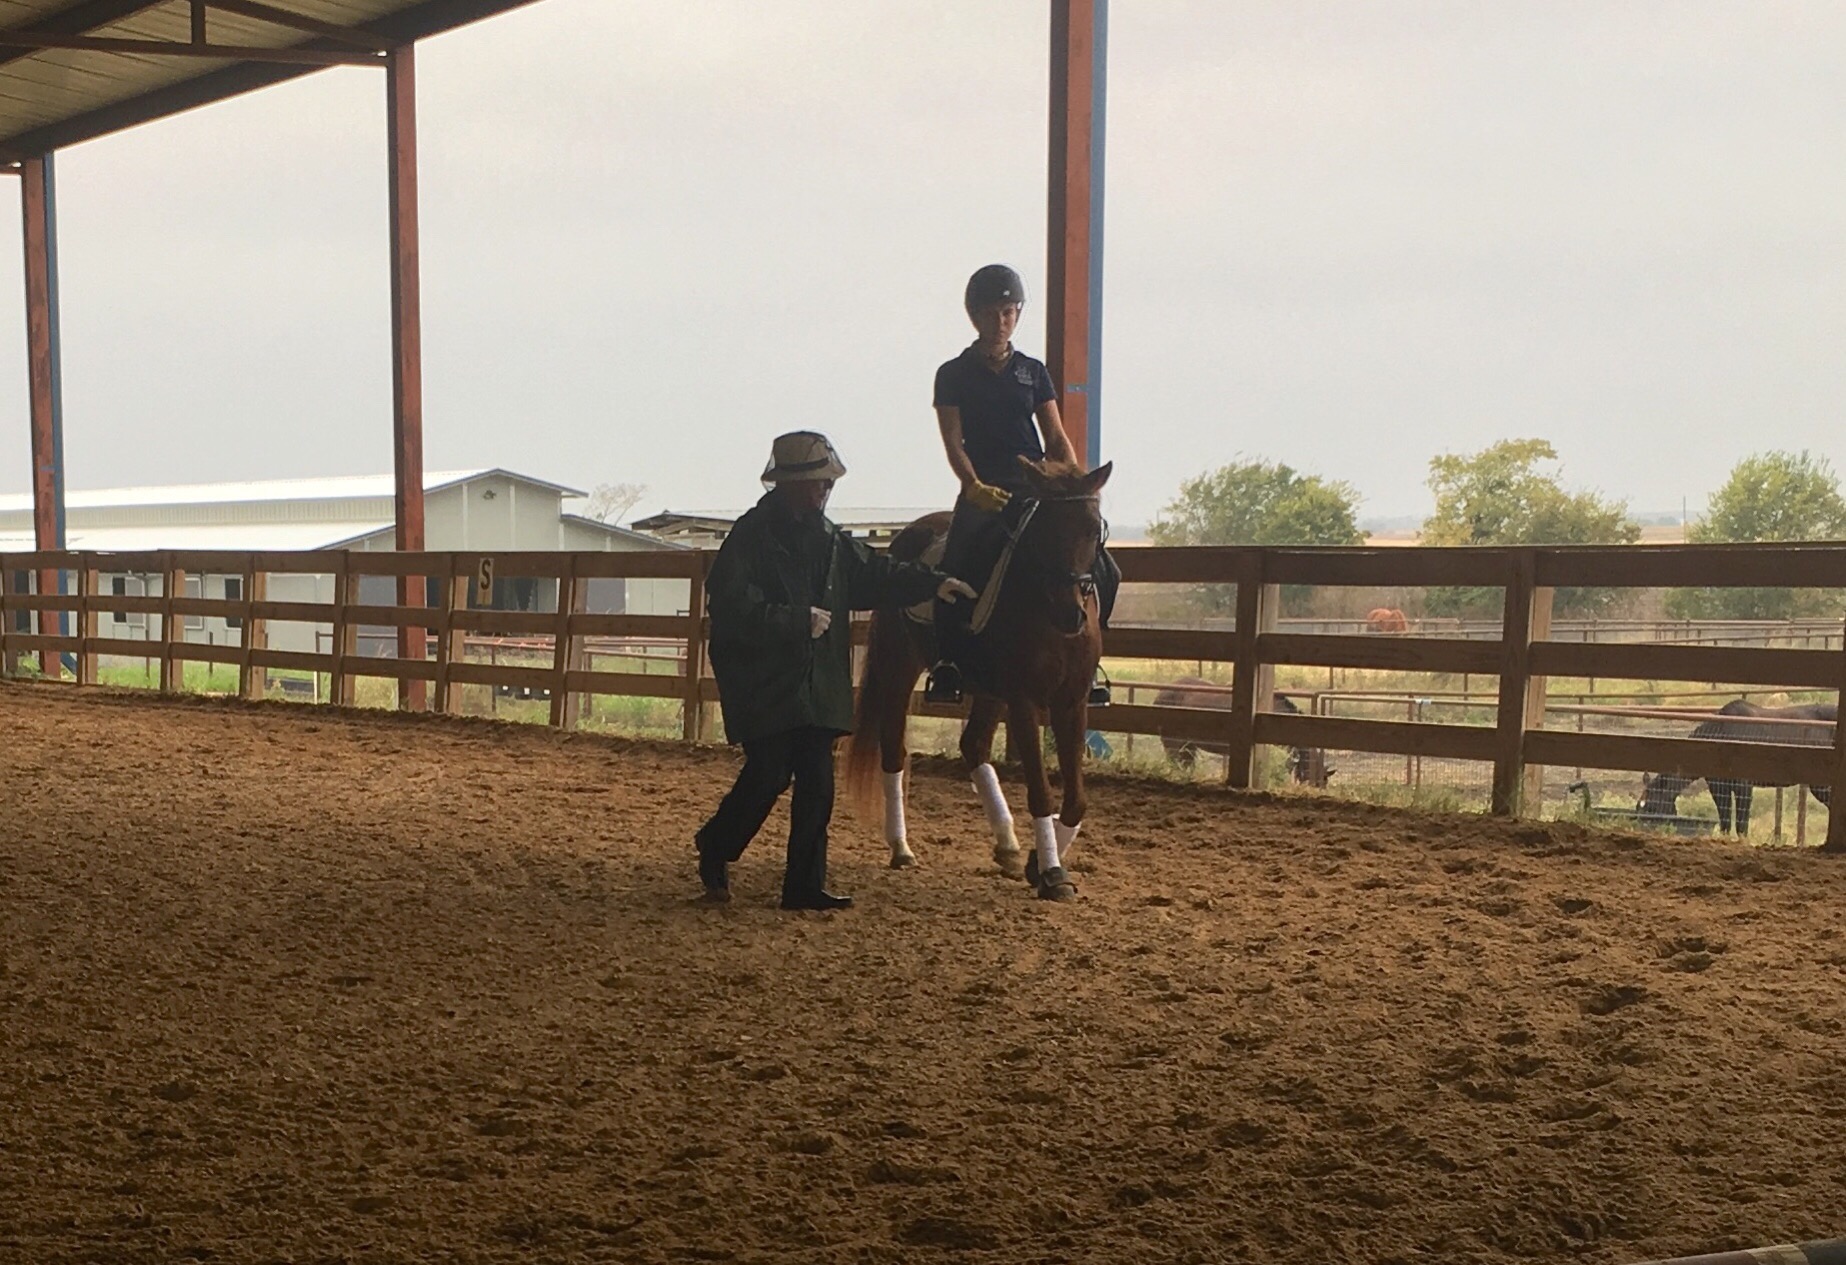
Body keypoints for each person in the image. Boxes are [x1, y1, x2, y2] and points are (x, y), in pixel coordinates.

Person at [695, 430, 976, 910]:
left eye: (829, 481)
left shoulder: (829, 539)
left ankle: (804, 885)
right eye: (819, 481)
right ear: (788, 483)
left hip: (816, 681)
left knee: (817, 782)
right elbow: (730, 607)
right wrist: (794, 620)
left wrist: (933, 584)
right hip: (763, 680)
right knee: (769, 773)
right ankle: (716, 845)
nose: (827, 489)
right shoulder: (750, 538)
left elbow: (874, 574)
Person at [924, 263, 1118, 705]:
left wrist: (1071, 483)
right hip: (984, 488)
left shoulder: (1033, 372)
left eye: (1009, 312)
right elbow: (953, 442)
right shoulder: (952, 374)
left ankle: (1088, 662)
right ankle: (948, 663)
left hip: (1035, 488)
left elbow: (1055, 438)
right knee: (955, 562)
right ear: (975, 315)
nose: (1002, 321)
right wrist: (972, 485)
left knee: (1104, 567)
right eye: (993, 313)